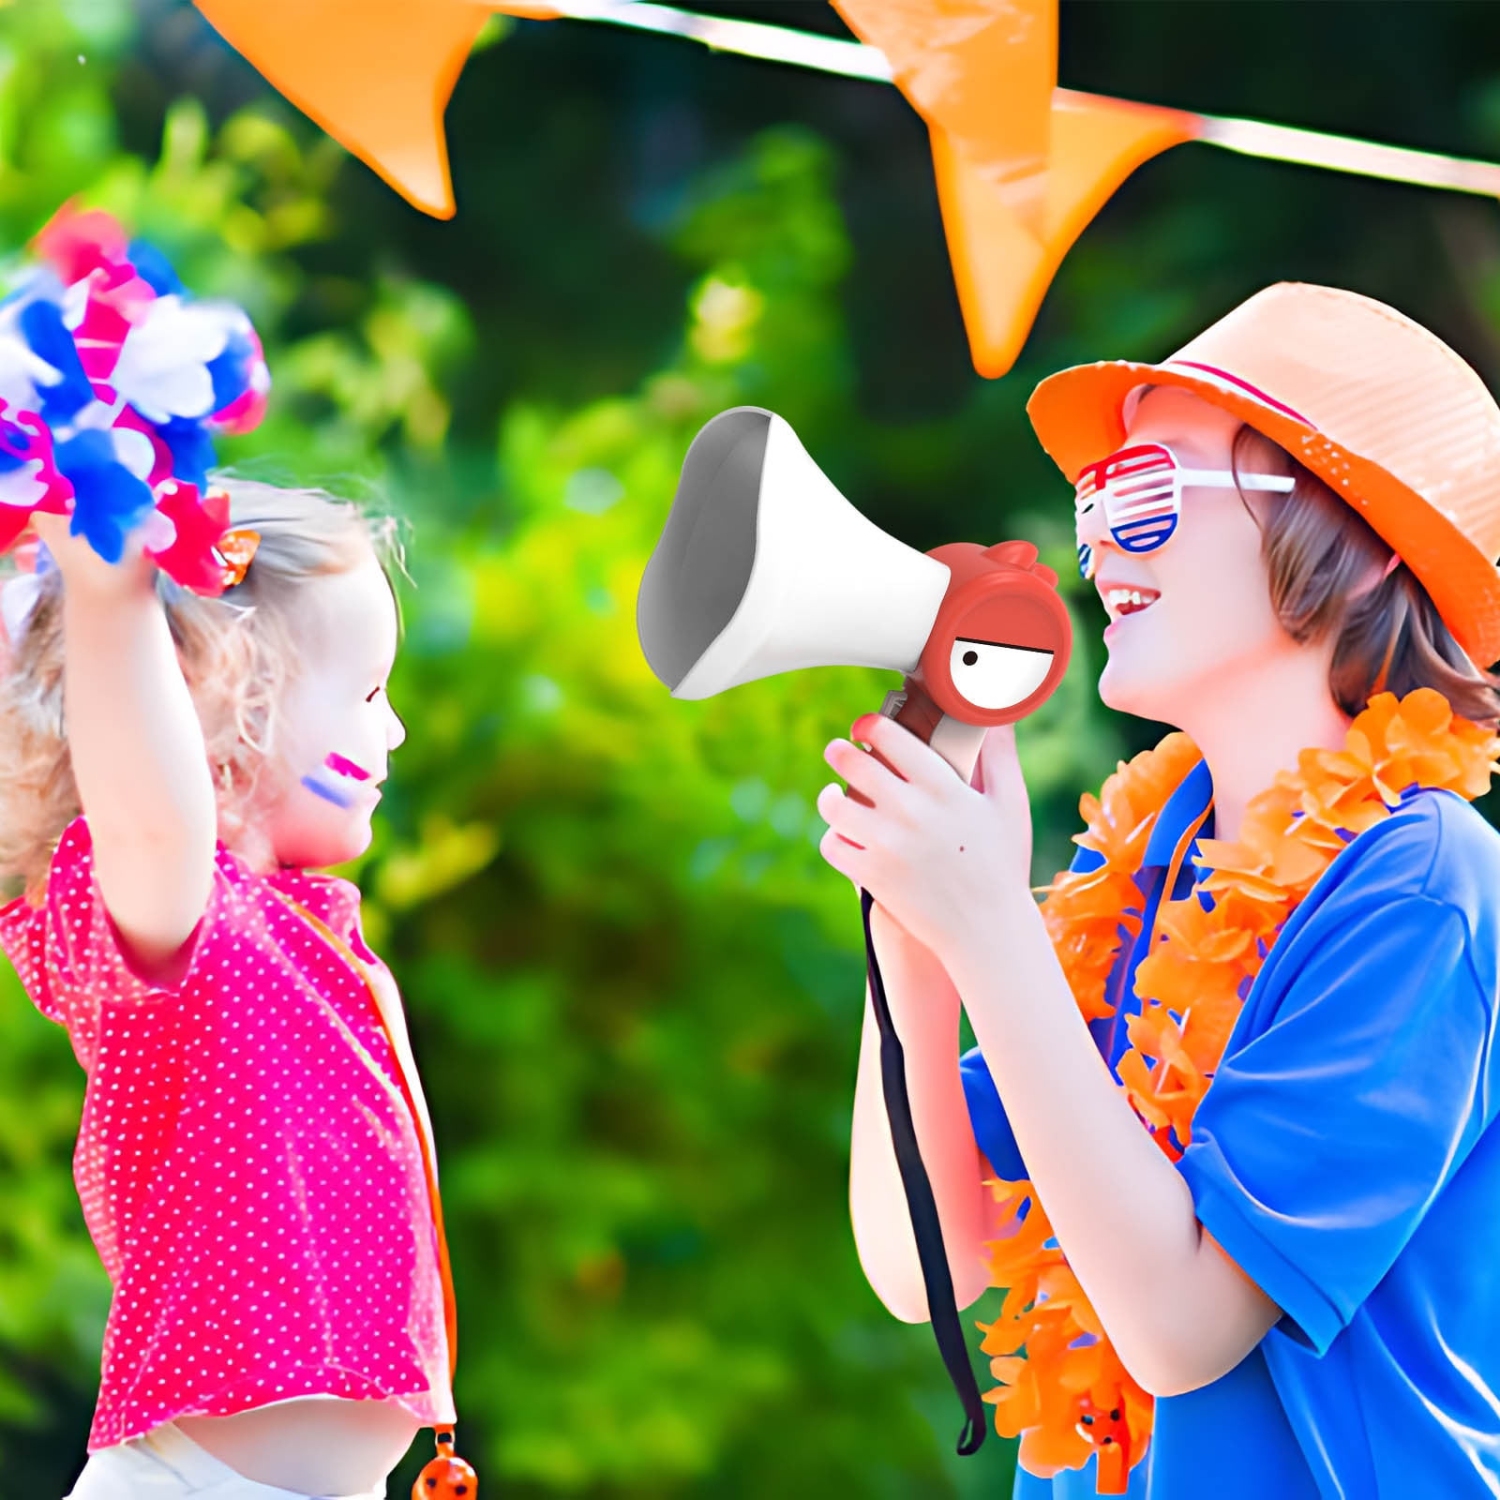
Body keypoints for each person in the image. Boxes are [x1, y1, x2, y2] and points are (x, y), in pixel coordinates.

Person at [819, 283, 1500, 1496]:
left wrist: (989, 927)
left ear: (1358, 544)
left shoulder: (1424, 882)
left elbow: (1182, 1330)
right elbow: (926, 1261)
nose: (1094, 546)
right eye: (1097, 499)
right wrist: (918, 941)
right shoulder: (1147, 861)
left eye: (1147, 492)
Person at [0, 206, 459, 1500]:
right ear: (224, 696)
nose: (397, 725)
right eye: (366, 693)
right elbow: (152, 808)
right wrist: (109, 592)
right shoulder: (170, 912)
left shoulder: (306, 925)